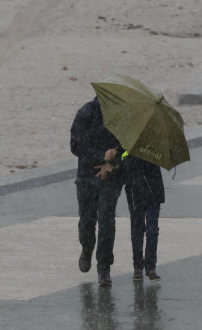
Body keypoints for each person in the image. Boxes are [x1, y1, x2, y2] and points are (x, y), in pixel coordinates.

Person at [70, 96, 124, 286]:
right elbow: (76, 146)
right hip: (86, 176)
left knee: (107, 221)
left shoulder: (122, 116)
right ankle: (87, 248)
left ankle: (104, 267)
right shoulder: (86, 114)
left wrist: (113, 162)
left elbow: (128, 148)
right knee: (86, 220)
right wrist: (100, 157)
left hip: (112, 178)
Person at [121, 152, 165, 282]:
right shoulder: (127, 144)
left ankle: (151, 267)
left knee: (152, 231)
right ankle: (138, 267)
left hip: (153, 190)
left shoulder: (155, 143)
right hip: (135, 192)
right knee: (137, 230)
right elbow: (123, 163)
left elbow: (160, 159)